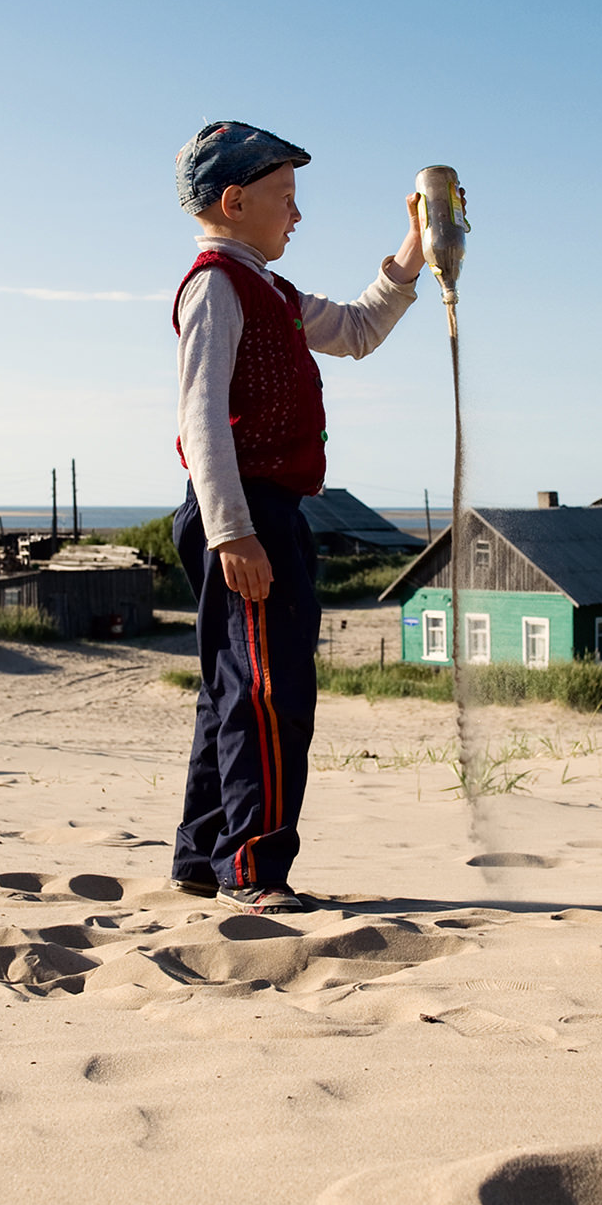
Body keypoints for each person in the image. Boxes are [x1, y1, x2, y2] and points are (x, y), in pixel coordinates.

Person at [168, 120, 428, 914]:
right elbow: (202, 418)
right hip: (243, 512)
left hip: (261, 511)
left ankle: (202, 854)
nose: (297, 214)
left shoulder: (271, 289)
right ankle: (253, 866)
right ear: (234, 200)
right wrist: (232, 529)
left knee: (232, 686)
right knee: (270, 691)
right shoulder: (217, 281)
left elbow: (354, 331)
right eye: (285, 197)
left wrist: (413, 255)